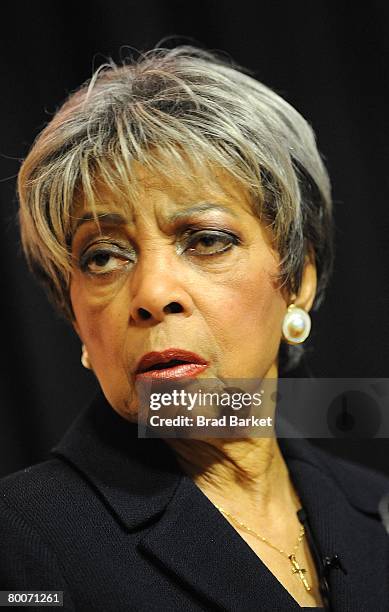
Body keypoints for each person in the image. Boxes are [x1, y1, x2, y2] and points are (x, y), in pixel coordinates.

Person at [1, 46, 388, 611]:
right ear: (74, 311)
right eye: (103, 257)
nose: (154, 295)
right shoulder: (18, 544)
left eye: (206, 240)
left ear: (297, 282)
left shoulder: (375, 509)